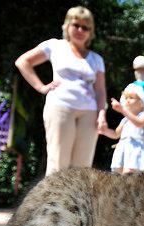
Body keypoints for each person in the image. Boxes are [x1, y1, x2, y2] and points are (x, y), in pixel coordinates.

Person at [15, 6, 107, 176]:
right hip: (60, 106)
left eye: (85, 27)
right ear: (67, 26)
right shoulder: (54, 46)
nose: (80, 30)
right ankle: (54, 203)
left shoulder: (96, 59)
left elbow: (100, 91)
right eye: (76, 25)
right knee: (58, 164)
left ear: (90, 31)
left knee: (83, 169)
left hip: (90, 112)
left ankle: (76, 203)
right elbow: (23, 62)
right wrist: (41, 87)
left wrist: (102, 114)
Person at [99, 84, 144, 174]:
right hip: (122, 148)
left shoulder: (143, 115)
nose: (127, 100)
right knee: (118, 174)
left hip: (134, 149)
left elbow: (139, 123)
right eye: (126, 98)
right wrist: (104, 131)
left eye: (131, 98)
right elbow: (115, 134)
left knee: (129, 173)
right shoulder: (125, 119)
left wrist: (122, 110)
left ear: (141, 103)